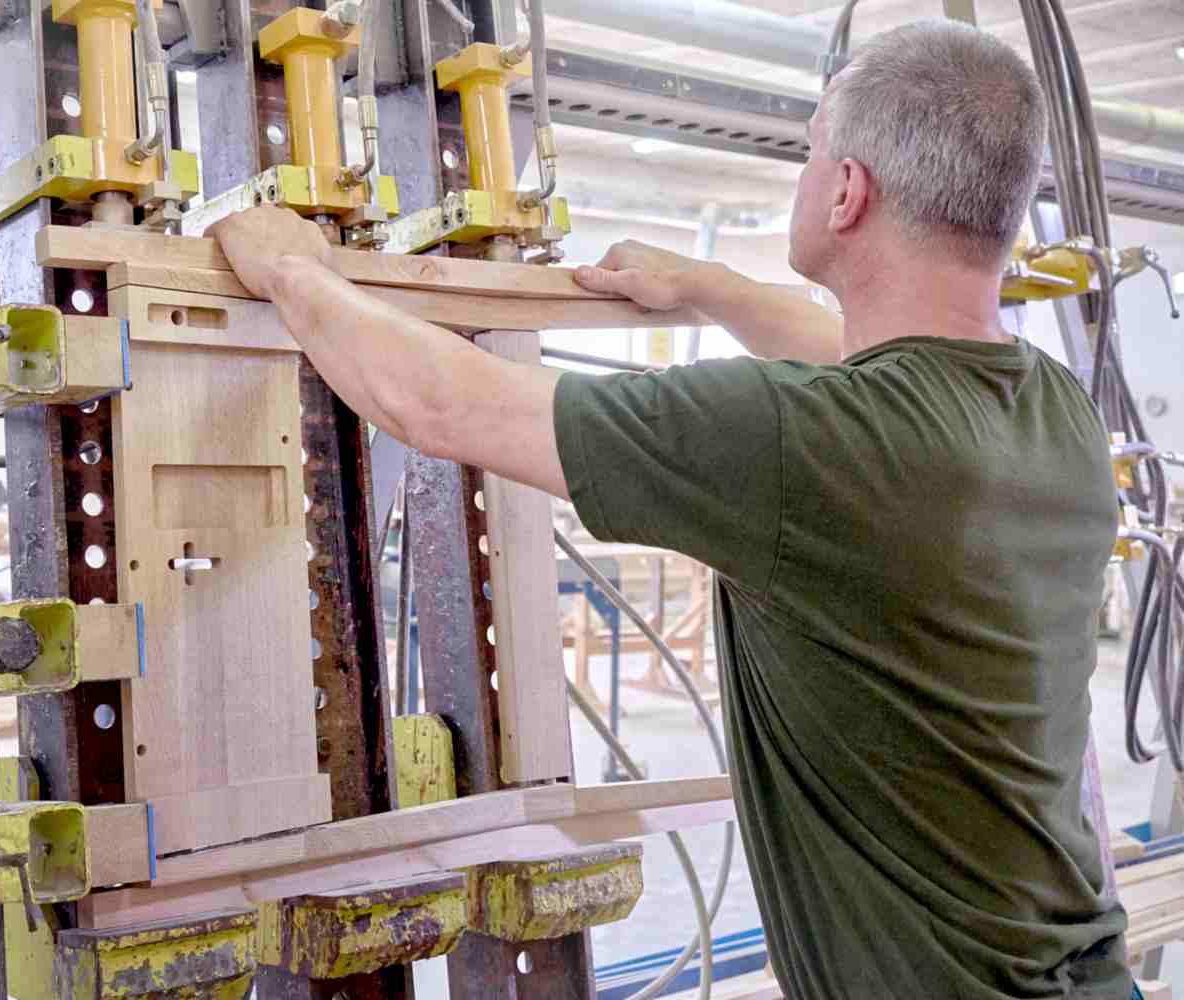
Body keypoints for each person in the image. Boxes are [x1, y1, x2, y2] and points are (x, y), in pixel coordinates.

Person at [211, 19, 1132, 999]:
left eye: (813, 152)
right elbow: (844, 351)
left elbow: (440, 403)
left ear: (848, 190)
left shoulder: (798, 441)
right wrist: (703, 286)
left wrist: (289, 269)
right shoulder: (1052, 408)